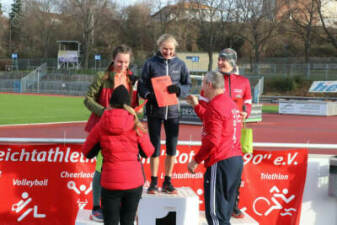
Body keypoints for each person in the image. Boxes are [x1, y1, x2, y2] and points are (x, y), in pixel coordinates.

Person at [82, 85, 154, 225]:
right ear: (128, 104)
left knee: (110, 222)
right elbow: (148, 152)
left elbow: (87, 152)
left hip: (110, 182)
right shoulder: (135, 122)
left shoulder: (102, 123)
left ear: (110, 103)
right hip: (134, 182)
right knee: (128, 221)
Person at [84, 45, 138, 222]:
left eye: (126, 62)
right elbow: (87, 99)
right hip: (103, 127)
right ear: (113, 59)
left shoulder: (131, 79)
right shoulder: (103, 77)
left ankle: (116, 205)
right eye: (119, 61)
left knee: (118, 166)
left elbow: (134, 104)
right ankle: (96, 207)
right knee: (101, 167)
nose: (122, 65)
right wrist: (104, 112)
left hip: (124, 129)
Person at [186, 71, 243, 225]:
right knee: (223, 215)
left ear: (209, 85)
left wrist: (196, 160)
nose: (202, 87)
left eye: (203, 83)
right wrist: (197, 106)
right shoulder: (229, 103)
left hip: (221, 161)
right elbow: (211, 120)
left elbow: (212, 141)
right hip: (235, 160)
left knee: (216, 216)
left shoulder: (215, 106)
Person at [137, 33, 191, 194]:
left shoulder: (181, 64)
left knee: (171, 147)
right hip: (155, 110)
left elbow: (187, 84)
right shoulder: (150, 63)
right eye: (165, 49)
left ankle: (168, 181)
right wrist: (148, 95)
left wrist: (179, 90)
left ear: (175, 49)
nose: (168, 52)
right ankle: (153, 181)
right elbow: (142, 85)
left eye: (171, 49)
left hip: (173, 111)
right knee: (154, 147)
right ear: (159, 47)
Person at [217, 48, 252, 218]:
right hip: (217, 133)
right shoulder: (213, 80)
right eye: (219, 59)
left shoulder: (243, 81)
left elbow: (248, 103)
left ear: (232, 62)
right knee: (217, 172)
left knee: (235, 171)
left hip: (235, 135)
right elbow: (203, 102)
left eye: (223, 59)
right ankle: (219, 206)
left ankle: (234, 205)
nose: (220, 62)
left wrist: (246, 111)